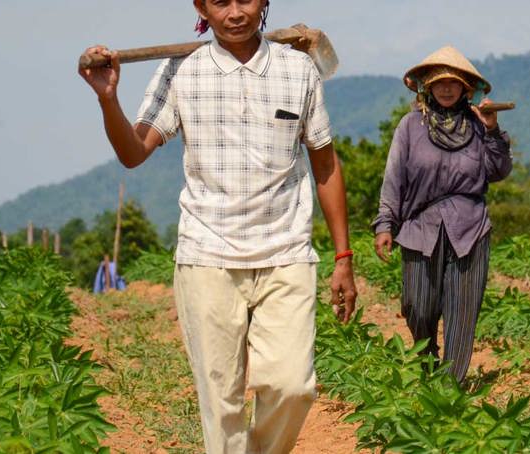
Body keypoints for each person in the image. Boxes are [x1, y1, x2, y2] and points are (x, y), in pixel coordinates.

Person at [77, 1, 358, 451]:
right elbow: (133, 151)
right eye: (220, 2)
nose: (234, 13)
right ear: (200, 7)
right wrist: (108, 98)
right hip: (207, 256)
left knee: (293, 387)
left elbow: (325, 165)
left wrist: (344, 256)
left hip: (284, 252)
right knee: (221, 404)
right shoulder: (182, 71)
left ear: (265, 2)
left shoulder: (297, 69)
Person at [372, 46, 512, 383]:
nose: (447, 89)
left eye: (454, 83)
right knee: (417, 305)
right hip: (421, 225)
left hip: (469, 226)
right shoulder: (409, 126)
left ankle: (452, 385)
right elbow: (394, 178)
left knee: (461, 312)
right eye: (440, 83)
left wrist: (493, 131)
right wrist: (385, 223)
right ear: (427, 87)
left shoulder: (478, 127)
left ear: (466, 88)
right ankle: (427, 356)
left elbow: (499, 171)